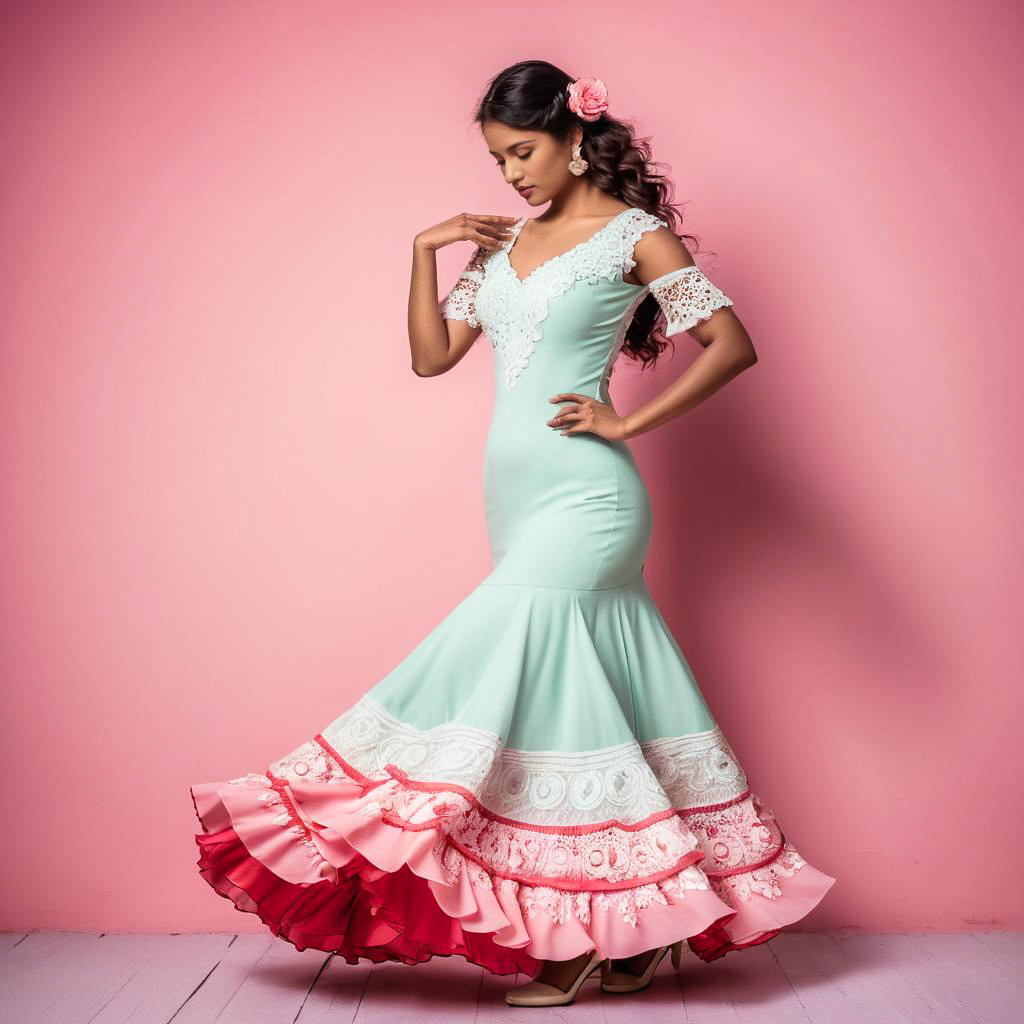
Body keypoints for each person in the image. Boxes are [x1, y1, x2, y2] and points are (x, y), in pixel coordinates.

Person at [189, 59, 836, 1009]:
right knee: (597, 703)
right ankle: (632, 932)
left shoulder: (636, 237)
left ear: (575, 137)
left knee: (530, 685)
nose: (514, 176)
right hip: (514, 500)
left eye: (524, 152)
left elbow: (732, 345)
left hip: (588, 498)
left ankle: (574, 935)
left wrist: (627, 424)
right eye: (499, 162)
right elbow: (430, 358)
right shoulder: (499, 249)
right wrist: (425, 250)